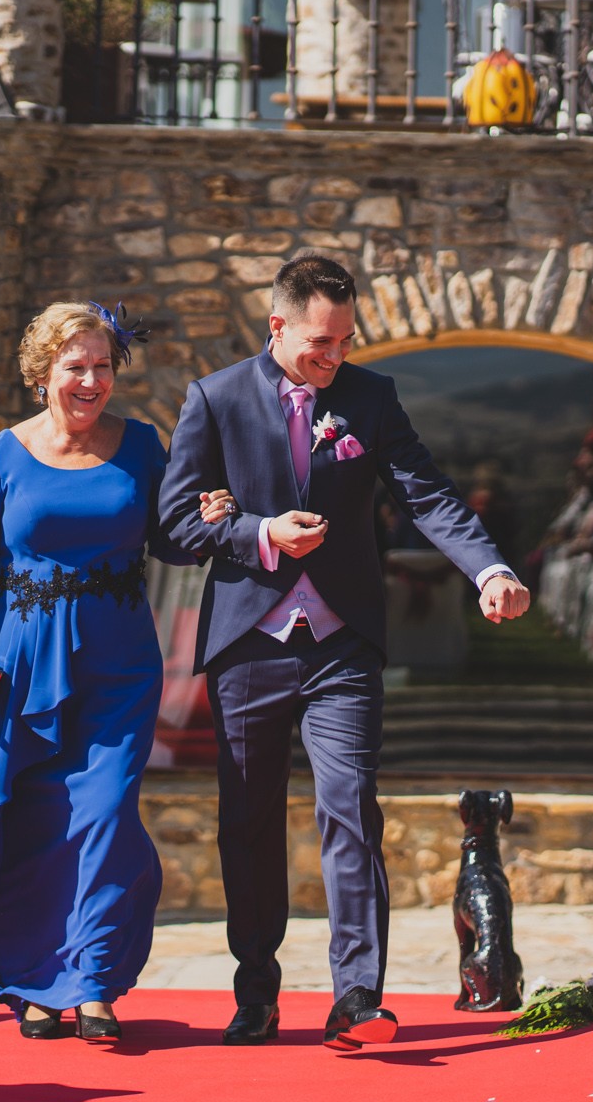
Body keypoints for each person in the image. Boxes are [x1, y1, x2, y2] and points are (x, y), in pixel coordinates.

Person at [160, 256, 533, 1051]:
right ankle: (256, 991)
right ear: (278, 326)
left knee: (353, 809)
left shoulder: (371, 397)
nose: (335, 356)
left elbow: (425, 492)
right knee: (247, 822)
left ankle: (357, 997)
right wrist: (258, 532)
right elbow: (175, 524)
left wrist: (490, 569)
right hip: (248, 646)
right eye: (320, 342)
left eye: (345, 341)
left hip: (342, 646)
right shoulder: (215, 399)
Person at [0, 301, 229, 1043]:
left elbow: (170, 540)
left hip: (118, 661)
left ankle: (92, 979)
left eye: (102, 366)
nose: (91, 380)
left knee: (102, 815)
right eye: (75, 367)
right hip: (18, 665)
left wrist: (207, 519)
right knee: (32, 819)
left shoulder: (142, 446)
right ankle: (38, 983)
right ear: (43, 375)